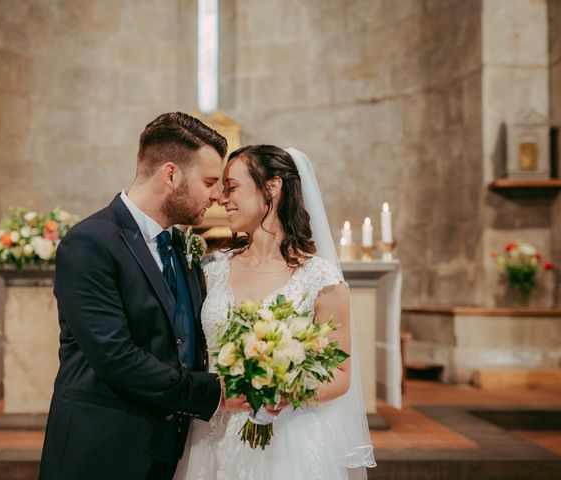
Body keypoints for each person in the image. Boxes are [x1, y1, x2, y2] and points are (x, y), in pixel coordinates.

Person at [38, 112, 228, 480]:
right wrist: (213, 393)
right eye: (209, 182)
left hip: (166, 447)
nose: (217, 196)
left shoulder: (179, 244)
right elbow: (115, 356)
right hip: (102, 448)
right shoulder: (90, 243)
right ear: (170, 175)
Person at [175, 145, 376, 479]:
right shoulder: (211, 268)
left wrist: (284, 393)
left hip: (288, 440)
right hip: (213, 434)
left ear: (272, 187)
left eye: (232, 186)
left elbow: (340, 375)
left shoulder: (321, 280)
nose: (222, 199)